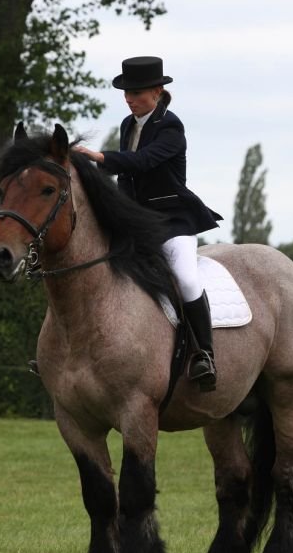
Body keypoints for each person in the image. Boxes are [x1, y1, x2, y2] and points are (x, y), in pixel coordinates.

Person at [74, 56, 223, 392]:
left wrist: (100, 157)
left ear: (157, 91)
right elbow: (126, 177)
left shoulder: (171, 127)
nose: (129, 99)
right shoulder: (129, 125)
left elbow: (143, 161)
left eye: (136, 93)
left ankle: (204, 353)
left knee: (186, 278)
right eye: (126, 93)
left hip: (172, 220)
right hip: (136, 222)